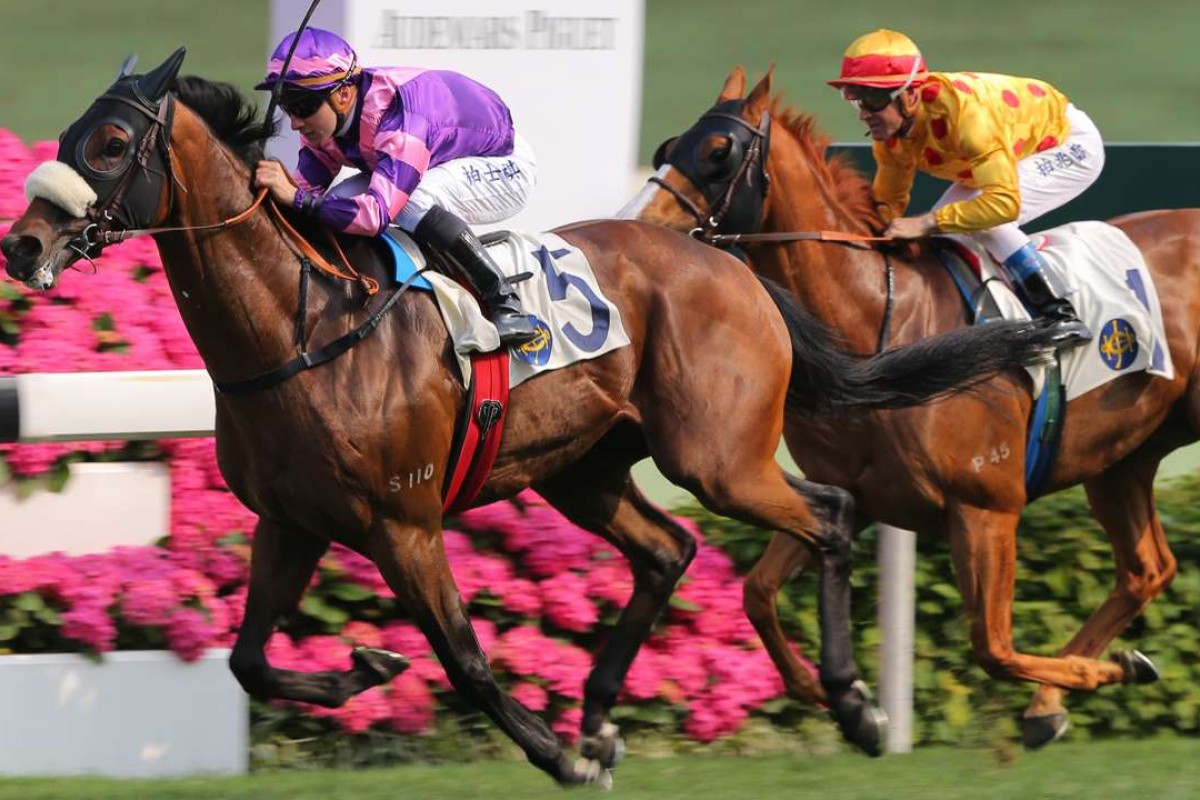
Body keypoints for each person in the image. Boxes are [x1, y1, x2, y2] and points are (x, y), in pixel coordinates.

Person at [253, 27, 538, 346]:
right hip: (437, 159)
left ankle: (504, 301)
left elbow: (375, 216)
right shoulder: (328, 117)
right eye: (287, 107)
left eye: (303, 107)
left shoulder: (399, 116)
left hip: (503, 164)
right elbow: (304, 191)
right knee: (338, 201)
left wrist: (297, 198)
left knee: (411, 201)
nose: (295, 123)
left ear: (343, 94)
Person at [828, 28, 1102, 344]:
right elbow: (888, 203)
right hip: (1007, 153)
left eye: (874, 99)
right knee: (952, 228)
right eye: (855, 98)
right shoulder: (891, 138)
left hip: (1066, 144)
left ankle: (1060, 315)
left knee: (985, 222)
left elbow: (1003, 204)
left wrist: (927, 222)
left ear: (911, 94)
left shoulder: (967, 118)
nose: (864, 113)